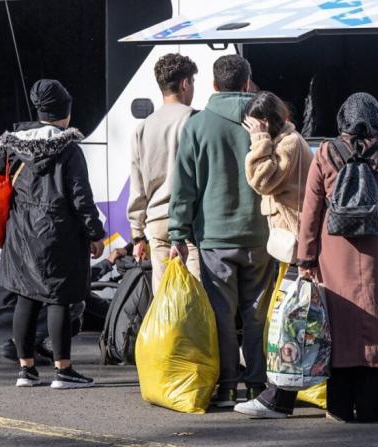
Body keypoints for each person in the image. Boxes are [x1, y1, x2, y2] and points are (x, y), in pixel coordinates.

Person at [0, 79, 105, 389]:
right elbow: (81, 197)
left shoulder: (14, 143)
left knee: (26, 296)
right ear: (65, 111)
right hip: (59, 235)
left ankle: (27, 370)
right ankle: (64, 371)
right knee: (59, 300)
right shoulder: (69, 148)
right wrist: (95, 232)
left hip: (22, 234)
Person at [298, 92, 378, 422]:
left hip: (334, 252)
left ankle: (339, 407)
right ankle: (373, 406)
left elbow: (311, 213)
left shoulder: (324, 153)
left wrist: (305, 260)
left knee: (338, 325)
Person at [169, 55, 274, 408]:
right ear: (247, 83)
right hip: (261, 235)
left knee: (222, 318)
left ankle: (228, 386)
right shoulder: (266, 121)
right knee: (257, 315)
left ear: (214, 85)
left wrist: (177, 234)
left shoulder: (197, 126)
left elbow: (183, 186)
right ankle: (258, 386)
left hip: (214, 238)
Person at [233, 90, 314, 419]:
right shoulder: (289, 140)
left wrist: (259, 141)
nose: (250, 130)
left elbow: (261, 180)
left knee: (290, 323)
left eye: (253, 124)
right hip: (295, 243)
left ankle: (278, 399)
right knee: (290, 321)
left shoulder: (289, 143)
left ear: (264, 121)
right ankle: (277, 395)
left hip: (297, 245)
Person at [127, 53, 201, 293]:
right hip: (191, 223)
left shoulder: (143, 127)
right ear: (185, 84)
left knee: (165, 298)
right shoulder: (195, 121)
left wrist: (137, 235)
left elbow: (137, 186)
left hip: (157, 223)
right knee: (196, 298)